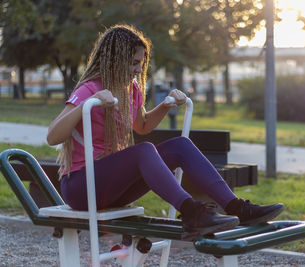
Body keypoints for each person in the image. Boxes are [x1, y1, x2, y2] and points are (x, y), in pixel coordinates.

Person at [47, 24, 284, 239]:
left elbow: (142, 126)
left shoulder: (132, 90)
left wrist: (166, 104)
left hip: (112, 187)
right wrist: (88, 104)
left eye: (140, 62)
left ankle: (237, 208)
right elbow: (53, 136)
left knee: (179, 145)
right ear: (114, 61)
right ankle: (192, 213)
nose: (139, 69)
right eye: (133, 62)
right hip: (81, 187)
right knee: (143, 151)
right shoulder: (90, 88)